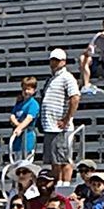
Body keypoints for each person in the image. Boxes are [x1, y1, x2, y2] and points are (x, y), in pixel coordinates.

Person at [41, 48, 80, 183]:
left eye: (57, 60)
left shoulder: (67, 77)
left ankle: (65, 186)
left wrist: (66, 119)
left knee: (64, 159)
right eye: (53, 60)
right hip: (50, 126)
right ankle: (57, 185)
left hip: (60, 127)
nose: (54, 63)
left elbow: (74, 98)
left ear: (64, 61)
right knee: (54, 160)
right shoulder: (52, 79)